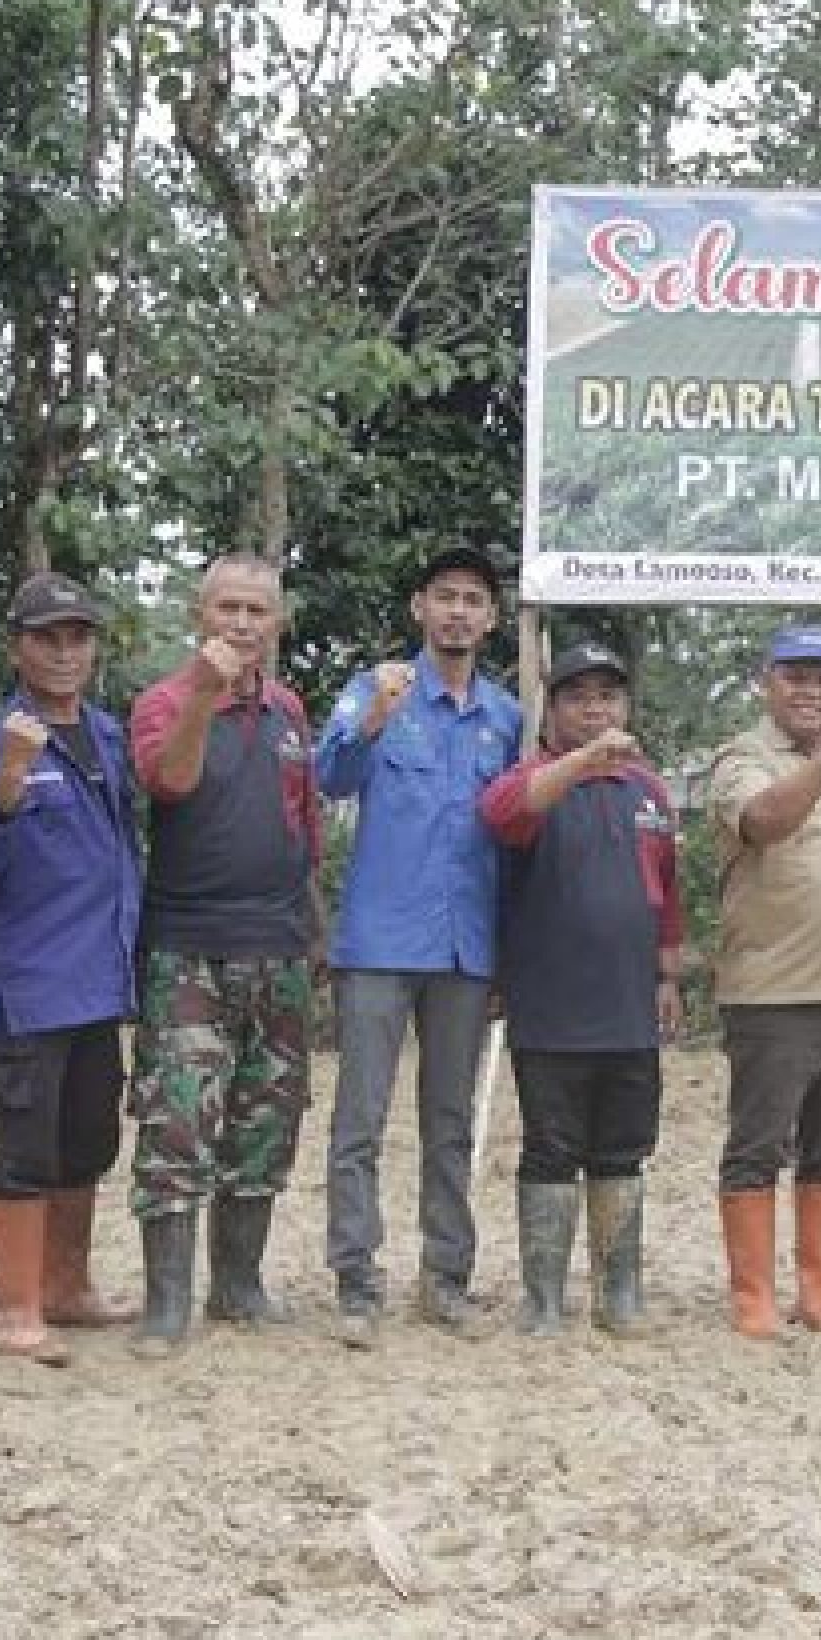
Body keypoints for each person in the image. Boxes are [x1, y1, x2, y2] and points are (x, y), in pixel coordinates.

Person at [312, 543, 521, 1348]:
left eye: (473, 599)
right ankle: (356, 1282)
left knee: (452, 1121)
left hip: (467, 944)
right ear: (419, 608)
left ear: (492, 618)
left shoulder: (506, 717)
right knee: (358, 1119)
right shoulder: (375, 689)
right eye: (445, 597)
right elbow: (328, 778)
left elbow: (513, 826)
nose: (458, 611)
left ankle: (446, 1278)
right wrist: (371, 722)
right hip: (377, 940)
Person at [127, 553, 322, 1355]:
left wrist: (315, 930)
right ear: (198, 616)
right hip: (189, 950)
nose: (242, 624)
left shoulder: (289, 712)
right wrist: (205, 695)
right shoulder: (164, 701)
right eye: (227, 609)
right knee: (177, 1122)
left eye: (257, 611)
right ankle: (166, 1302)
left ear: (277, 624)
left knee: (264, 1121)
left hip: (277, 949)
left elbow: (302, 824)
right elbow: (169, 782)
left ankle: (238, 1285)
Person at [0, 571, 143, 1365]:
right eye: (46, 639)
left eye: (77, 637)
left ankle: (67, 1286)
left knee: (87, 1140)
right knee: (22, 1150)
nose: (65, 653)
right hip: (25, 984)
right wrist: (4, 787)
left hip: (99, 979)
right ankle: (13, 1308)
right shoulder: (3, 739)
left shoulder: (108, 733)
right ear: (17, 648)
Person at [480, 639, 686, 1337]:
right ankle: (542, 1298)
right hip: (549, 1004)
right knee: (550, 1147)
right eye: (578, 697)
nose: (594, 709)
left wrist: (667, 973)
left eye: (607, 696)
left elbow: (668, 896)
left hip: (630, 1004)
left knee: (623, 1147)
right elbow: (502, 815)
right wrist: (577, 763)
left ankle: (617, 1293)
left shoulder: (651, 791)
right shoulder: (532, 777)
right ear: (552, 710)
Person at [704, 624, 821, 1341]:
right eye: (796, 676)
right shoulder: (744, 758)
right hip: (772, 994)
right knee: (758, 1145)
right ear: (767, 682)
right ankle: (753, 1298)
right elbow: (764, 821)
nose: (812, 691)